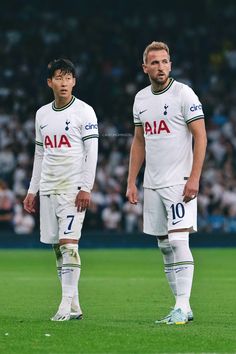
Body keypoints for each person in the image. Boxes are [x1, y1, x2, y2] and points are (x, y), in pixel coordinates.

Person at [126, 41, 207, 325]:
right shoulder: (140, 99)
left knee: (177, 239)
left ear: (170, 64)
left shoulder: (184, 94)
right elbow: (139, 142)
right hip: (152, 182)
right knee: (163, 245)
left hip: (179, 181)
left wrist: (194, 177)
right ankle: (179, 306)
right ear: (145, 67)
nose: (161, 67)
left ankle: (182, 307)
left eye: (165, 61)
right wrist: (131, 181)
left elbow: (201, 136)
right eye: (155, 62)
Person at [23, 58, 98, 321]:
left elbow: (92, 152)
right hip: (48, 188)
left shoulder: (85, 112)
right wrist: (33, 190)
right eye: (59, 77)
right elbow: (40, 154)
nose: (64, 82)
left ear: (74, 81)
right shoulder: (42, 114)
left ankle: (64, 306)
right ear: (50, 82)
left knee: (68, 246)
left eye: (68, 77)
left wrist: (85, 187)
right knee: (57, 247)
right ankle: (75, 305)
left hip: (72, 189)